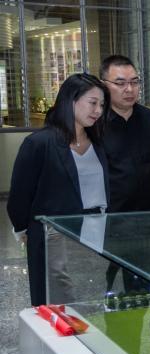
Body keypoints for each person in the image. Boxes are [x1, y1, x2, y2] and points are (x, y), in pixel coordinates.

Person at [8, 74, 110, 306]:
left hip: (96, 230)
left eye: (102, 105)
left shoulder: (98, 142)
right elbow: (20, 194)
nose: (98, 110)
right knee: (58, 300)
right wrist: (23, 230)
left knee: (90, 301)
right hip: (54, 232)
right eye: (93, 103)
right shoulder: (39, 143)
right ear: (71, 101)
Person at [99, 55, 150, 293]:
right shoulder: (95, 124)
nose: (129, 89)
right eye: (120, 83)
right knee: (110, 290)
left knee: (143, 289)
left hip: (147, 220)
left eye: (134, 82)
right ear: (104, 85)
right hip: (109, 223)